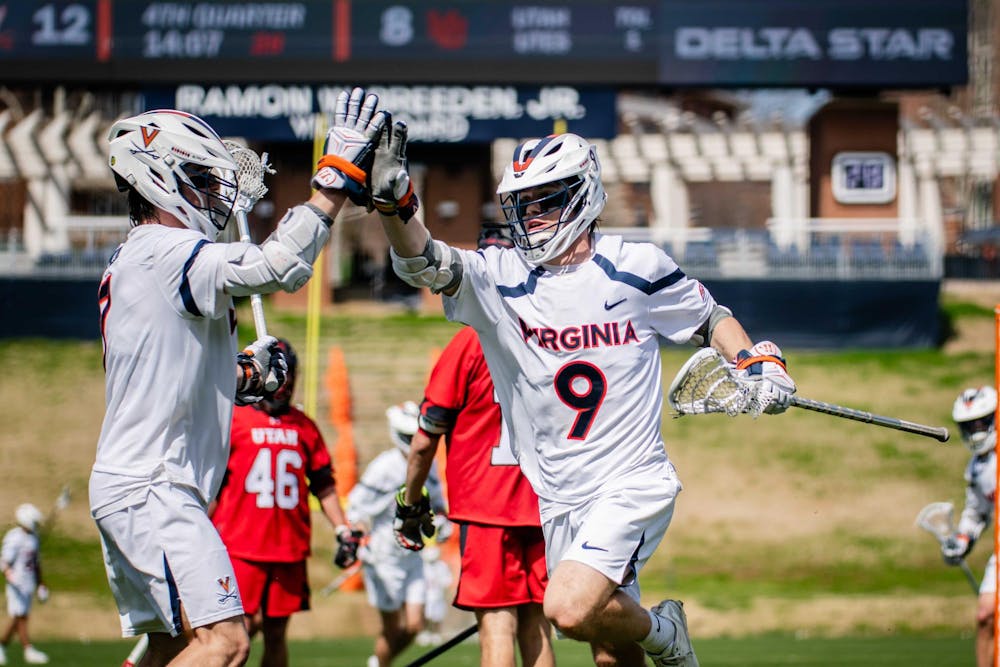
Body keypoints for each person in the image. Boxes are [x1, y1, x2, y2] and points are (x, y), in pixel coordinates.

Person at [365, 90, 796, 667]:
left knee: (565, 608)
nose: (531, 216)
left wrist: (756, 363)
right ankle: (650, 635)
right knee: (609, 649)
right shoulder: (500, 278)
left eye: (546, 201)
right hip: (556, 494)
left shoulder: (635, 268)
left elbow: (710, 319)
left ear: (582, 195)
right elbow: (423, 260)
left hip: (630, 481)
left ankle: (668, 635)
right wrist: (395, 206)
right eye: (523, 204)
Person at [90, 90, 386, 666]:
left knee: (174, 646)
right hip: (156, 485)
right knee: (227, 644)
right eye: (198, 177)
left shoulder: (144, 257)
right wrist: (334, 180)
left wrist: (244, 375)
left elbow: (172, 366)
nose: (212, 192)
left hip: (142, 483)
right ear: (160, 178)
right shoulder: (167, 250)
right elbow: (278, 266)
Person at [398, 223, 554, 667]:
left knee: (497, 624)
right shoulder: (546, 340)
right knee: (537, 626)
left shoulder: (467, 345)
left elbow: (426, 440)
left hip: (487, 509)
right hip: (542, 505)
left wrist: (411, 504)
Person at [210, 339, 361, 667]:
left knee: (277, 632)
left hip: (287, 548)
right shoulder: (234, 421)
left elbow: (324, 486)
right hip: (241, 546)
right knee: (240, 632)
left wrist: (342, 530)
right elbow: (212, 487)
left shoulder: (304, 426)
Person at [346, 402, 449, 667]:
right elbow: (357, 507)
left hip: (412, 555)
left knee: (415, 625)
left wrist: (442, 520)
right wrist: (359, 537)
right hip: (384, 558)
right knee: (391, 629)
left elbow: (438, 503)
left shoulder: (430, 465)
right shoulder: (384, 467)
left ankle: (378, 663)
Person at [942, 386, 997, 667]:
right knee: (985, 615)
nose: (975, 431)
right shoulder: (978, 467)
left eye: (980, 423)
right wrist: (962, 540)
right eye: (968, 425)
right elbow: (977, 513)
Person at [0, 504, 49, 665]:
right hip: (16, 585)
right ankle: (27, 649)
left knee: (21, 617)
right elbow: (4, 562)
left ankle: (5, 647)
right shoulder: (14, 537)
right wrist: (10, 576)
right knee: (19, 616)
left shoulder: (34, 538)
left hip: (28, 584)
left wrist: (41, 584)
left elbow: (36, 563)